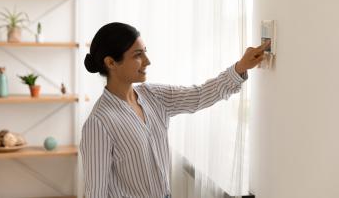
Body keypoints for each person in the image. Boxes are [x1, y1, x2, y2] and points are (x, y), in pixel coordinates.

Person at [80, 22, 270, 198]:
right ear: (111, 63)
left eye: (145, 52)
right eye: (138, 55)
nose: (147, 61)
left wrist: (241, 67)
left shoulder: (154, 95)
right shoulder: (99, 124)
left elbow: (199, 95)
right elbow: (96, 192)